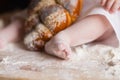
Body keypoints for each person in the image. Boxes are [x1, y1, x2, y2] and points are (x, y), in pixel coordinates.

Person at [45, 0, 120, 59]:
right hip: (72, 6)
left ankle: (65, 37)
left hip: (100, 14)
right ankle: (63, 37)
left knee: (109, 13)